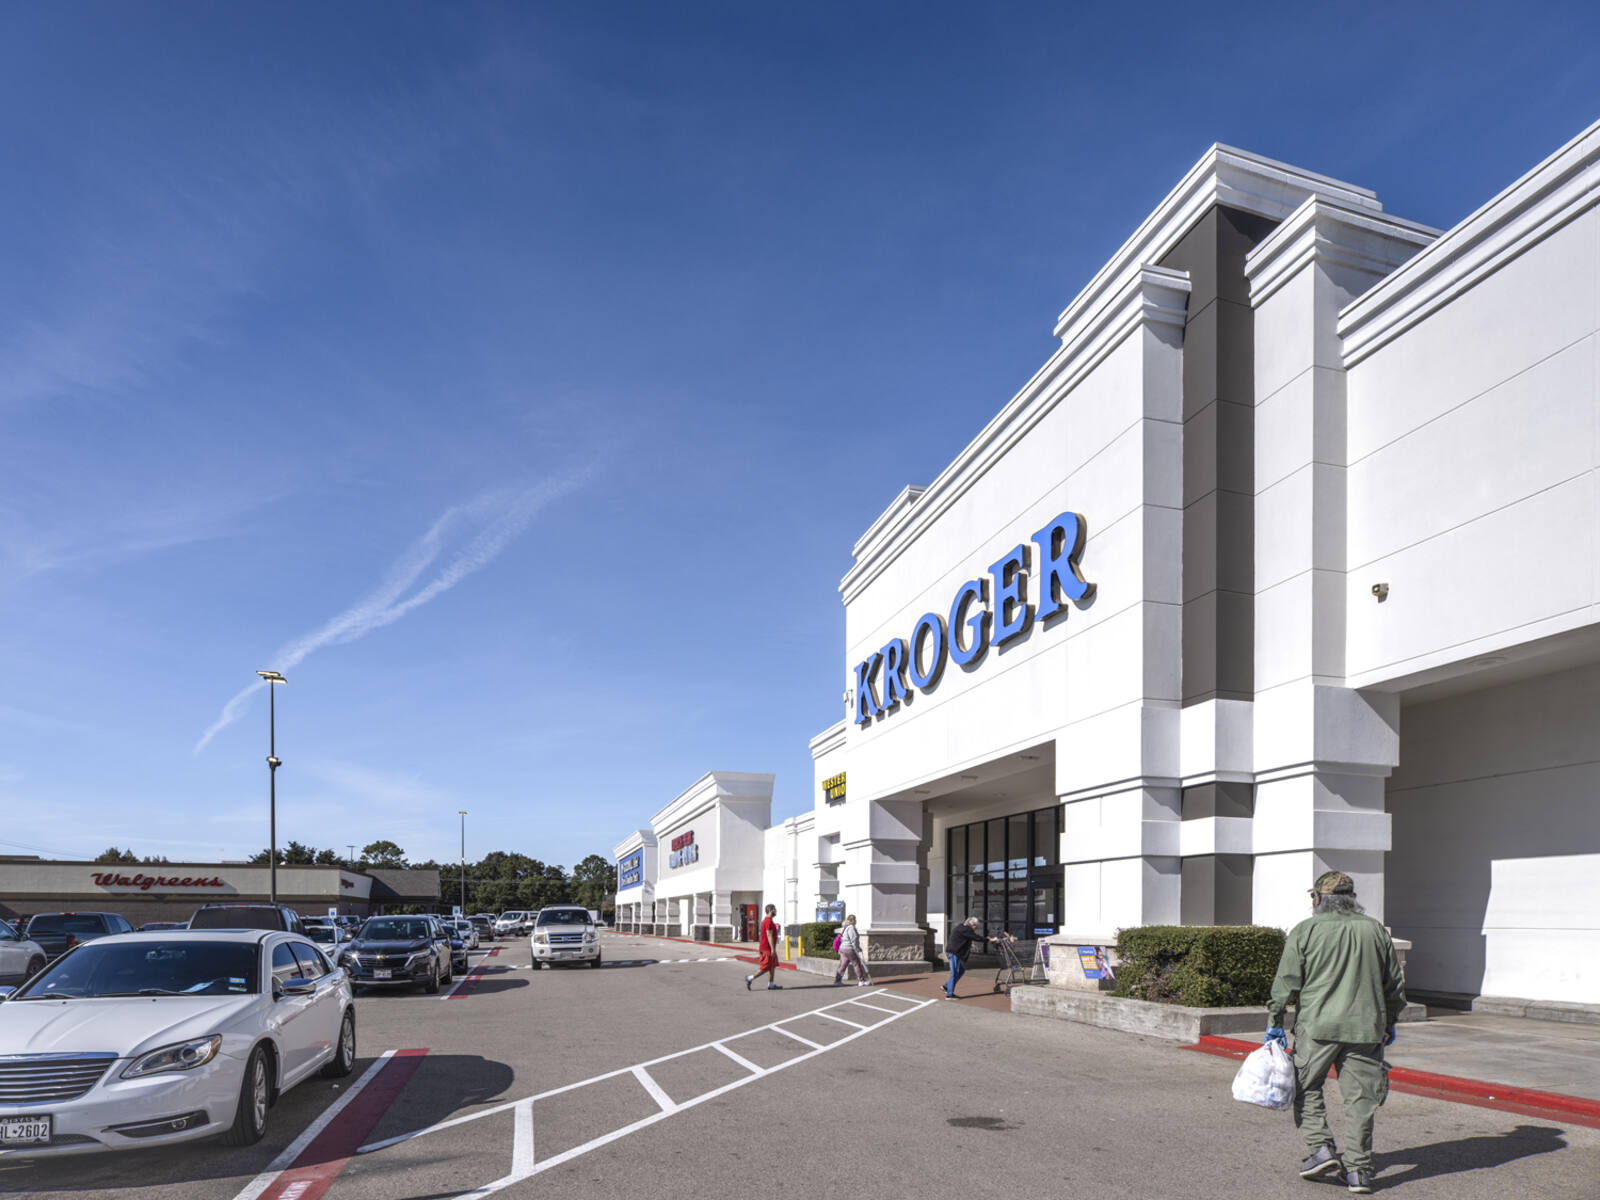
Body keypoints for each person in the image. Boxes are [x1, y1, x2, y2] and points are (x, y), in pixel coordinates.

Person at [1265, 871, 1406, 1195]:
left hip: (1317, 1028)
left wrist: (1274, 1020)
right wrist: (1390, 1021)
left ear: (1318, 899)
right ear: (1352, 899)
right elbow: (1394, 986)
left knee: (1306, 1088)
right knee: (1361, 1101)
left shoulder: (1306, 930)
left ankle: (1322, 1150)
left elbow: (1286, 982)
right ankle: (1359, 1172)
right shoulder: (1375, 931)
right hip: (1365, 1028)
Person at [942, 916, 996, 998]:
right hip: (954, 953)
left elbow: (973, 936)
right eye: (976, 927)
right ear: (972, 924)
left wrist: (986, 939)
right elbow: (976, 937)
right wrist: (989, 940)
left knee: (961, 971)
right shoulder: (966, 929)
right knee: (954, 972)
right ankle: (949, 995)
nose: (975, 929)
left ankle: (946, 986)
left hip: (953, 952)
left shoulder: (962, 927)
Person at [745, 903, 782, 991]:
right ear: (770, 910)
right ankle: (750, 978)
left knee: (772, 966)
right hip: (767, 948)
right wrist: (773, 949)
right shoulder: (768, 921)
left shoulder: (769, 921)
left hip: (768, 948)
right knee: (766, 967)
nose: (776, 911)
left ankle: (771, 985)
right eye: (774, 909)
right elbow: (769, 935)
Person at [833, 915, 872, 987]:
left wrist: (857, 947)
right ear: (853, 920)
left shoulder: (845, 927)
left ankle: (837, 981)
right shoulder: (851, 928)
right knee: (857, 964)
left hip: (843, 948)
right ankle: (861, 981)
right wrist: (857, 948)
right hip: (849, 948)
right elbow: (853, 939)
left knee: (843, 965)